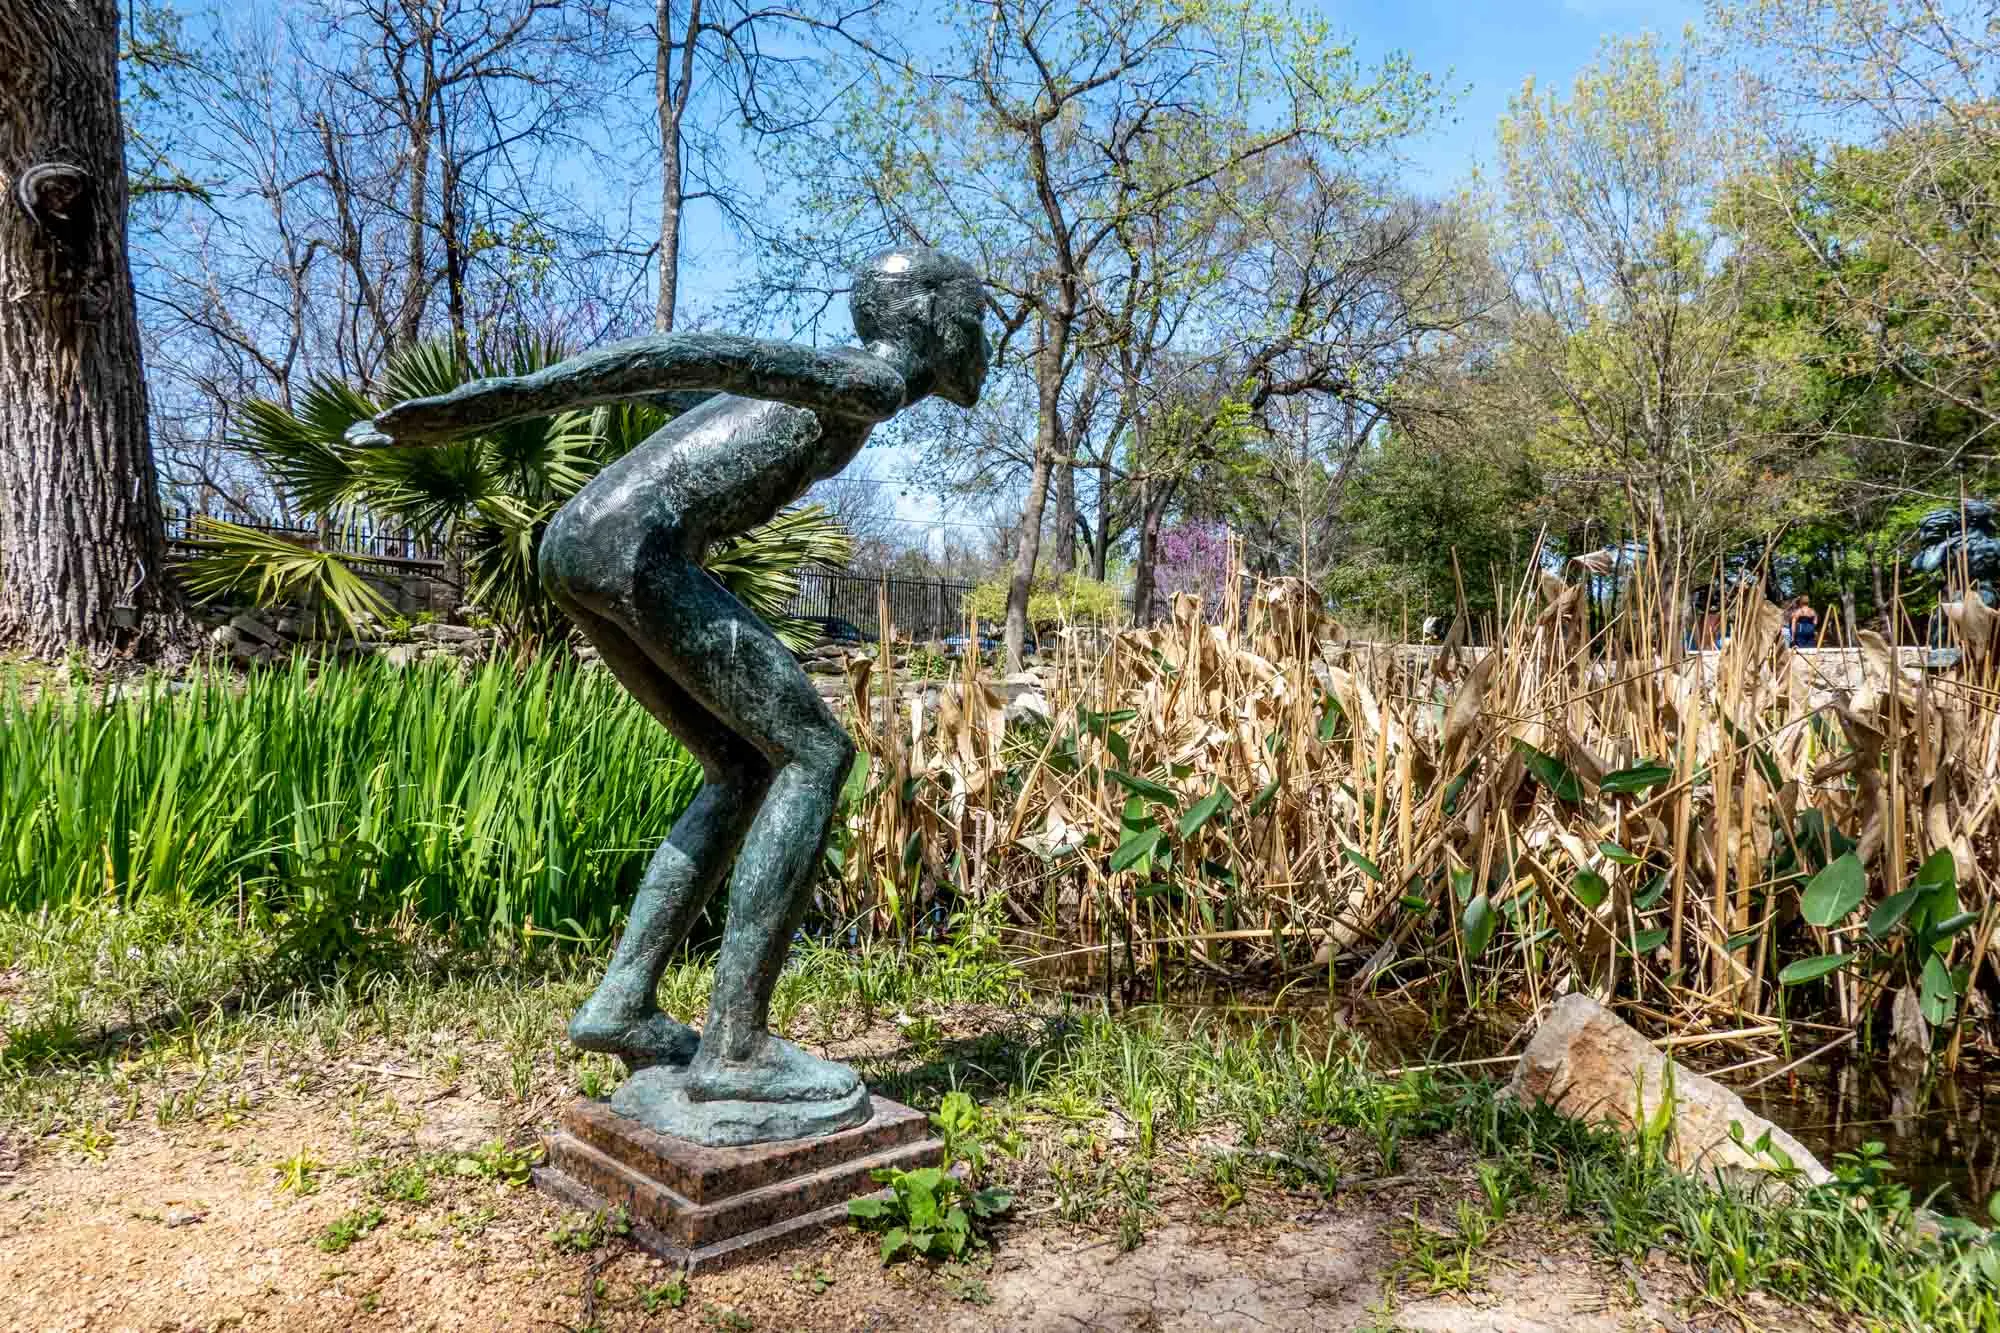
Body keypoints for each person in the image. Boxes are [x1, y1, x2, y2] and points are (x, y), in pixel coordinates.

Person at [345, 248, 988, 1117]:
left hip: (584, 547)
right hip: (633, 553)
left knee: (746, 765)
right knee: (816, 752)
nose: (985, 339)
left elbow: (684, 395)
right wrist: (498, 404)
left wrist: (529, 398)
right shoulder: (866, 381)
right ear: (935, 319)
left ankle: (622, 1002)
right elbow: (688, 356)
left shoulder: (830, 391)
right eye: (976, 316)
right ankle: (736, 1045)